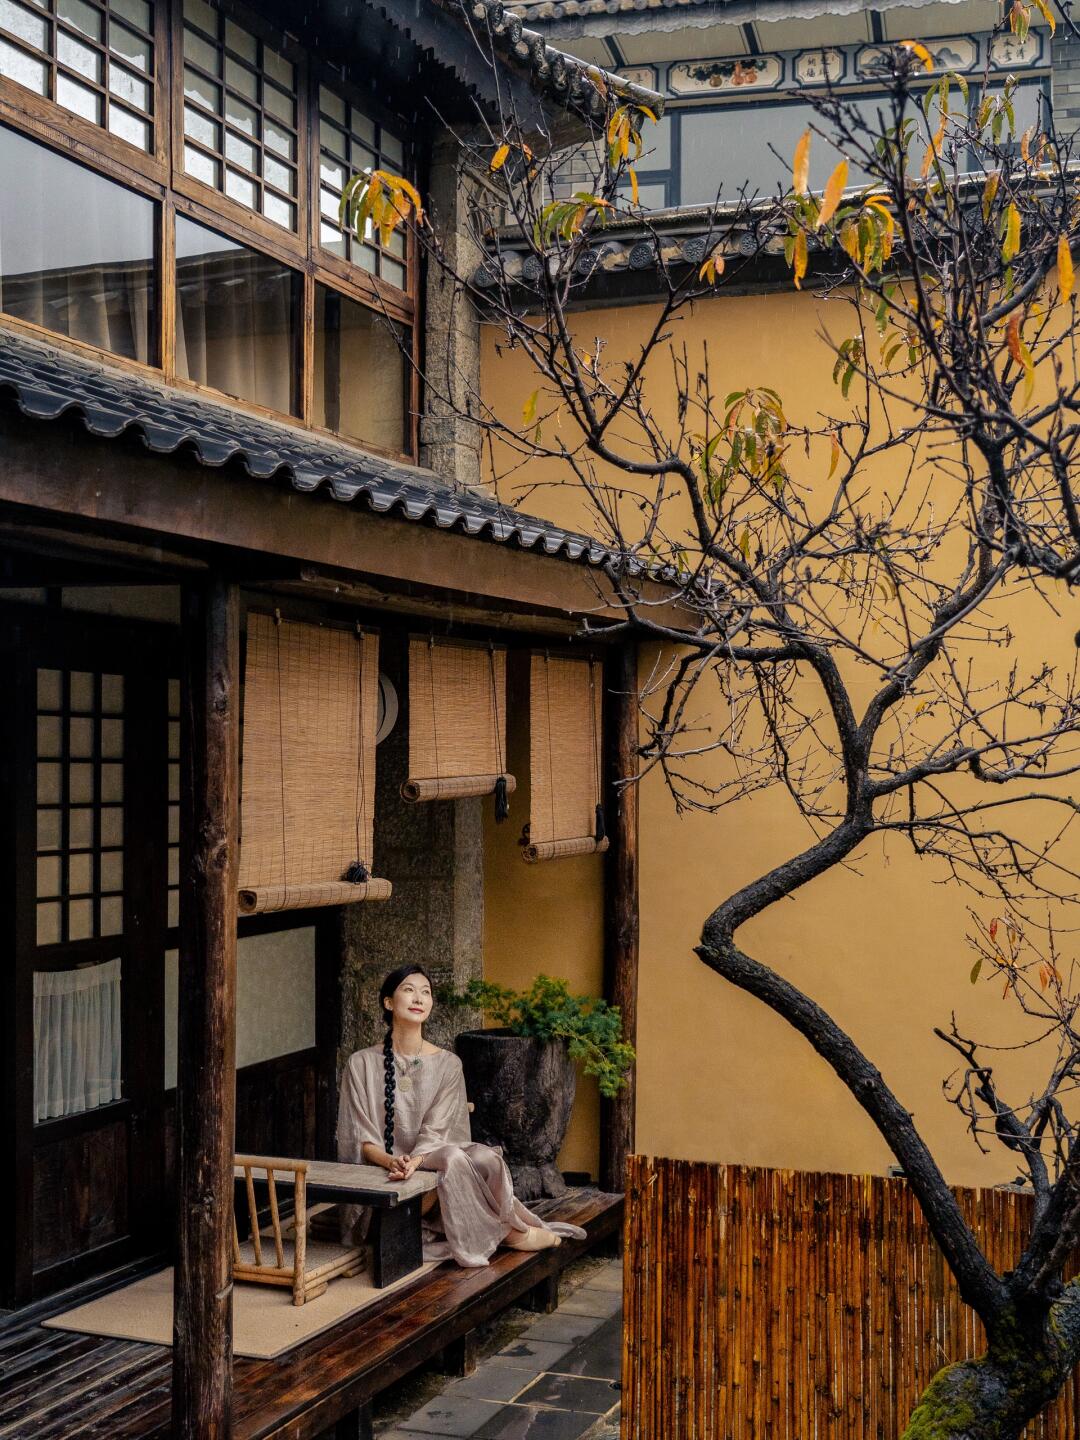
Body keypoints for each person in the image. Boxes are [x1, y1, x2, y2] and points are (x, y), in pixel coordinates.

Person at [337, 963, 586, 1268]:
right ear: (388, 1002)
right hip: (385, 1175)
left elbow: (439, 1132)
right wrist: (394, 1162)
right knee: (455, 1159)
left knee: (481, 1158)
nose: (419, 998)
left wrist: (415, 1161)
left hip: (429, 1166)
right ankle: (508, 1233)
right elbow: (360, 1140)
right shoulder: (360, 1063)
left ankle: (504, 1225)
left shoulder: (449, 1064)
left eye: (426, 992)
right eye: (409, 990)